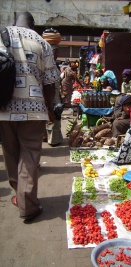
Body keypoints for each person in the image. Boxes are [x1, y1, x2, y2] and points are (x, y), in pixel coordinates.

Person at [0, 12, 60, 221]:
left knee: (10, 153)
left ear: (13, 21)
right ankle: (28, 205)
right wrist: (50, 109)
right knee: (29, 155)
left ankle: (20, 196)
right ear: (33, 24)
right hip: (34, 109)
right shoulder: (42, 43)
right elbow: (51, 81)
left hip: (4, 108)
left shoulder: (1, 35)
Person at [42, 28, 63, 146]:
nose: (57, 54)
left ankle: (48, 137)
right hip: (50, 95)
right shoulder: (49, 66)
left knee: (52, 117)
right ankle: (52, 139)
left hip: (54, 95)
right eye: (56, 52)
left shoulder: (55, 66)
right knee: (53, 117)